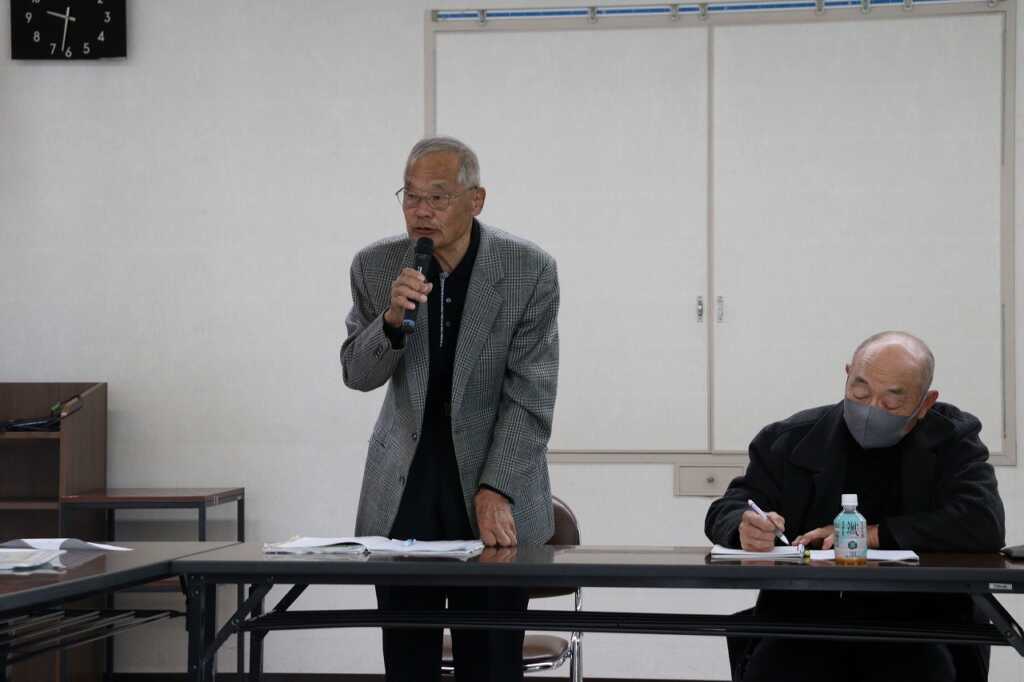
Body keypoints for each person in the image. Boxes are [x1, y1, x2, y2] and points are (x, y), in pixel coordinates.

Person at [340, 136, 559, 682]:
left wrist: (497, 488)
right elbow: (357, 374)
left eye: (437, 198)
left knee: (490, 663)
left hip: (489, 493)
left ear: (475, 200)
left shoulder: (528, 270)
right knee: (407, 664)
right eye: (411, 196)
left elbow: (530, 396)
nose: (421, 211)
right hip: (404, 493)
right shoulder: (375, 266)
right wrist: (391, 322)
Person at [705, 331, 1005, 682]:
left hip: (919, 623)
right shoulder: (791, 438)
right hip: (802, 621)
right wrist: (744, 527)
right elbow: (730, 506)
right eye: (860, 392)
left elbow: (982, 520)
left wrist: (869, 535)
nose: (871, 409)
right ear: (847, 376)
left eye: (891, 402)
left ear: (926, 403)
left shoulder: (952, 440)